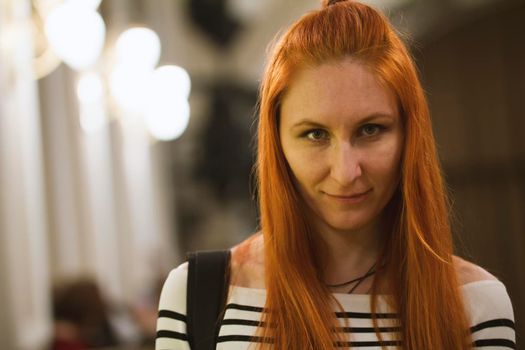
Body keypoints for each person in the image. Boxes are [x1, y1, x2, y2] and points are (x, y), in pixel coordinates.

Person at [156, 0, 516, 349]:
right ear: (277, 141)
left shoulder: (476, 305)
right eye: (315, 134)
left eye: (371, 130)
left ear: (410, 134)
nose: (346, 172)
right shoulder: (197, 294)